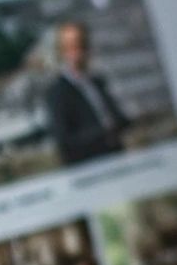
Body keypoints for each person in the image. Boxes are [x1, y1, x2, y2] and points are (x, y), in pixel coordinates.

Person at [43, 21, 131, 166]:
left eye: (80, 45)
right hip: (90, 165)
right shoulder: (57, 93)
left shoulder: (97, 82)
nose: (77, 52)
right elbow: (63, 139)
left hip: (116, 156)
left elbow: (116, 116)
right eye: (70, 47)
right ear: (61, 51)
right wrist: (103, 133)